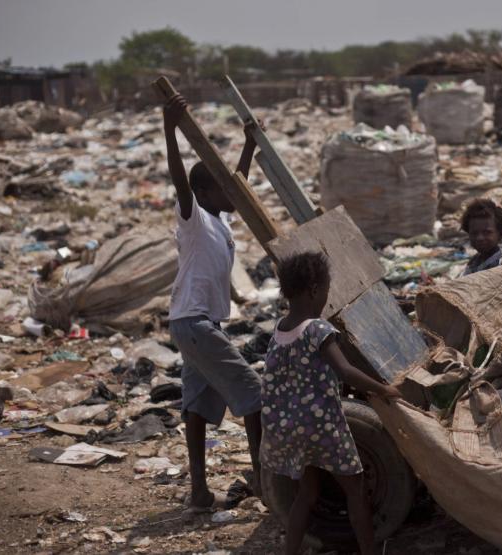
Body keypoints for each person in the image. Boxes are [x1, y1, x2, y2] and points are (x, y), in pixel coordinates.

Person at [163, 94, 264, 511]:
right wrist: (169, 128)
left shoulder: (219, 218)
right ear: (202, 191)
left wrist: (249, 147)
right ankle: (264, 483)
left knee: (197, 407)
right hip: (195, 322)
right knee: (256, 396)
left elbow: (236, 182)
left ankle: (201, 493)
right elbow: (178, 177)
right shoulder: (194, 216)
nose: (234, 193)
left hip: (199, 324)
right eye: (222, 187)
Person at [262, 252, 401, 555]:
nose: (327, 295)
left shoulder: (280, 331)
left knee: (307, 493)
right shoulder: (318, 329)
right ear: (314, 290)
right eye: (326, 288)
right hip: (322, 426)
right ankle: (369, 551)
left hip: (291, 428)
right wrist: (384, 389)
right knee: (356, 489)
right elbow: (346, 370)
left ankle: (290, 552)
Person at [460, 198, 502, 276]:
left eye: (487, 232)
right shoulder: (474, 263)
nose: (480, 238)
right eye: (474, 233)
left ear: (500, 234)